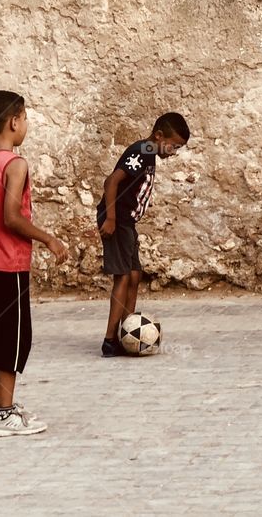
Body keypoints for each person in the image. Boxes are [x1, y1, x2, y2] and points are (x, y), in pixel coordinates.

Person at [0, 90, 68, 437]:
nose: (26, 125)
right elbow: (11, 217)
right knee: (13, 339)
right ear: (13, 121)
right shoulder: (15, 164)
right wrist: (48, 238)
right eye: (25, 118)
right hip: (8, 265)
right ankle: (6, 414)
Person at [97, 113, 190, 356]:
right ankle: (110, 340)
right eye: (173, 146)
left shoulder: (149, 151)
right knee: (123, 277)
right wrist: (111, 218)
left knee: (135, 274)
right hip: (117, 221)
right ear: (159, 135)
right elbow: (111, 182)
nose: (173, 152)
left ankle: (127, 331)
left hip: (127, 222)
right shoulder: (143, 151)